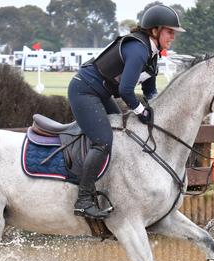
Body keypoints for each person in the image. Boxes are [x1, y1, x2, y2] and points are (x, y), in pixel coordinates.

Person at [67, 4, 185, 219]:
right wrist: (141, 111)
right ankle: (83, 200)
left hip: (100, 94)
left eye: (174, 33)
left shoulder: (152, 55)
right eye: (170, 32)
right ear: (155, 30)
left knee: (122, 131)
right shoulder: (138, 49)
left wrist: (157, 111)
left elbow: (150, 91)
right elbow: (126, 90)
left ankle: (110, 186)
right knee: (103, 141)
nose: (173, 37)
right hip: (83, 91)